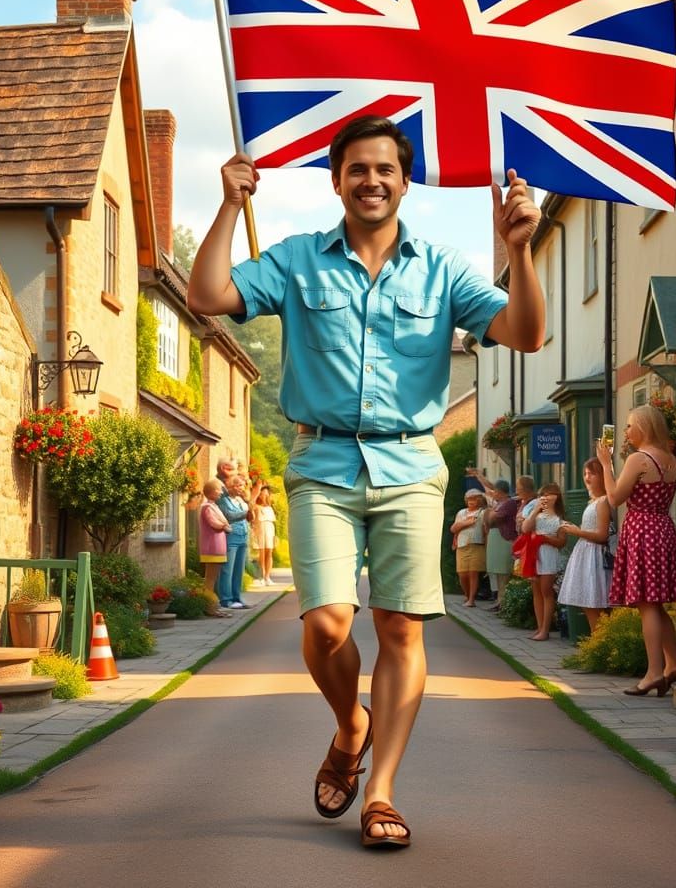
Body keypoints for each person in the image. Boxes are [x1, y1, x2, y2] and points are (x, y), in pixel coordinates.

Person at [187, 114, 543, 848]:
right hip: (322, 463)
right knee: (326, 624)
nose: (372, 180)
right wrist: (228, 202)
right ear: (337, 180)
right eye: (357, 169)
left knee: (400, 626)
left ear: (405, 183)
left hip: (412, 464)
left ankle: (379, 791)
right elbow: (207, 297)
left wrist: (521, 250)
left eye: (385, 169)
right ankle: (352, 724)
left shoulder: (443, 270)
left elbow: (527, 334)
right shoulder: (297, 262)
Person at [597, 404, 676, 696]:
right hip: (663, 529)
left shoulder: (639, 460)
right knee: (656, 601)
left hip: (642, 531)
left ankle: (653, 672)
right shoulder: (671, 460)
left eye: (629, 426)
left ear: (643, 428)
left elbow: (614, 498)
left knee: (647, 604)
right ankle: (673, 662)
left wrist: (605, 464)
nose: (625, 432)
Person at [558, 459, 613, 632]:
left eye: (592, 473)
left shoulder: (603, 502)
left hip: (594, 556)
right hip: (586, 554)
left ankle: (600, 643)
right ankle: (597, 644)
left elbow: (602, 535)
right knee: (588, 605)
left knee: (594, 604)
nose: (587, 477)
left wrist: (577, 532)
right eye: (585, 473)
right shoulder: (593, 501)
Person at [518, 483, 567, 641]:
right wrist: (535, 511)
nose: (546, 497)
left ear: (557, 497)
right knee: (536, 592)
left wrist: (545, 539)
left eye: (551, 494)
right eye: (543, 495)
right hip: (534, 556)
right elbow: (525, 528)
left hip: (549, 555)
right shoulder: (537, 515)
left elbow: (562, 542)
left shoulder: (559, 518)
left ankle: (546, 629)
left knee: (546, 591)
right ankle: (539, 627)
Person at [479, 477, 519, 612]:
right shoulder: (498, 504)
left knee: (504, 571)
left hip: (504, 539)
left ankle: (503, 602)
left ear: (501, 492)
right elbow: (488, 520)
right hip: (495, 538)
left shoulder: (509, 503)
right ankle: (499, 601)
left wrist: (489, 513)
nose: (493, 494)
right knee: (497, 571)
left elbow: (492, 519)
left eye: (495, 491)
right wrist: (489, 514)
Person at [216, 466, 252, 610]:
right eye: (239, 486)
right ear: (231, 486)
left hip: (243, 536)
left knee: (239, 569)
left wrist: (248, 513)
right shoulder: (223, 501)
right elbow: (228, 515)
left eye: (242, 486)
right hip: (231, 537)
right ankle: (226, 599)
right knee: (227, 569)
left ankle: (237, 597)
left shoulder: (240, 500)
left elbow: (248, 515)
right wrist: (246, 514)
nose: (241, 489)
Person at [197, 478, 233, 618]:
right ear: (211, 492)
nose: (220, 492)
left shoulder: (213, 506)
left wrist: (225, 525)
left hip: (218, 547)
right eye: (218, 490)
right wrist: (225, 526)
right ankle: (209, 608)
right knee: (210, 579)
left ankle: (212, 606)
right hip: (211, 547)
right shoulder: (207, 507)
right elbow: (214, 523)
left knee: (213, 578)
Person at [450, 489, 488, 607]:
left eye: (475, 498)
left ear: (480, 500)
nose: (472, 501)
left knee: (473, 573)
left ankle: (471, 599)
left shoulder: (483, 512)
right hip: (461, 545)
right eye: (469, 499)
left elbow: (486, 531)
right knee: (462, 574)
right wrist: (466, 523)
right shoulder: (461, 513)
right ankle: (467, 596)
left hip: (477, 545)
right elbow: (453, 528)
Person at [252, 484, 277, 586]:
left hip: (270, 529)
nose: (264, 496)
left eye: (266, 494)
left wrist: (276, 536)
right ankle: (261, 576)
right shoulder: (256, 507)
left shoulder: (270, 507)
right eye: (262, 494)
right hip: (260, 528)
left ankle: (267, 576)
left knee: (269, 552)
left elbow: (273, 522)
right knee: (261, 553)